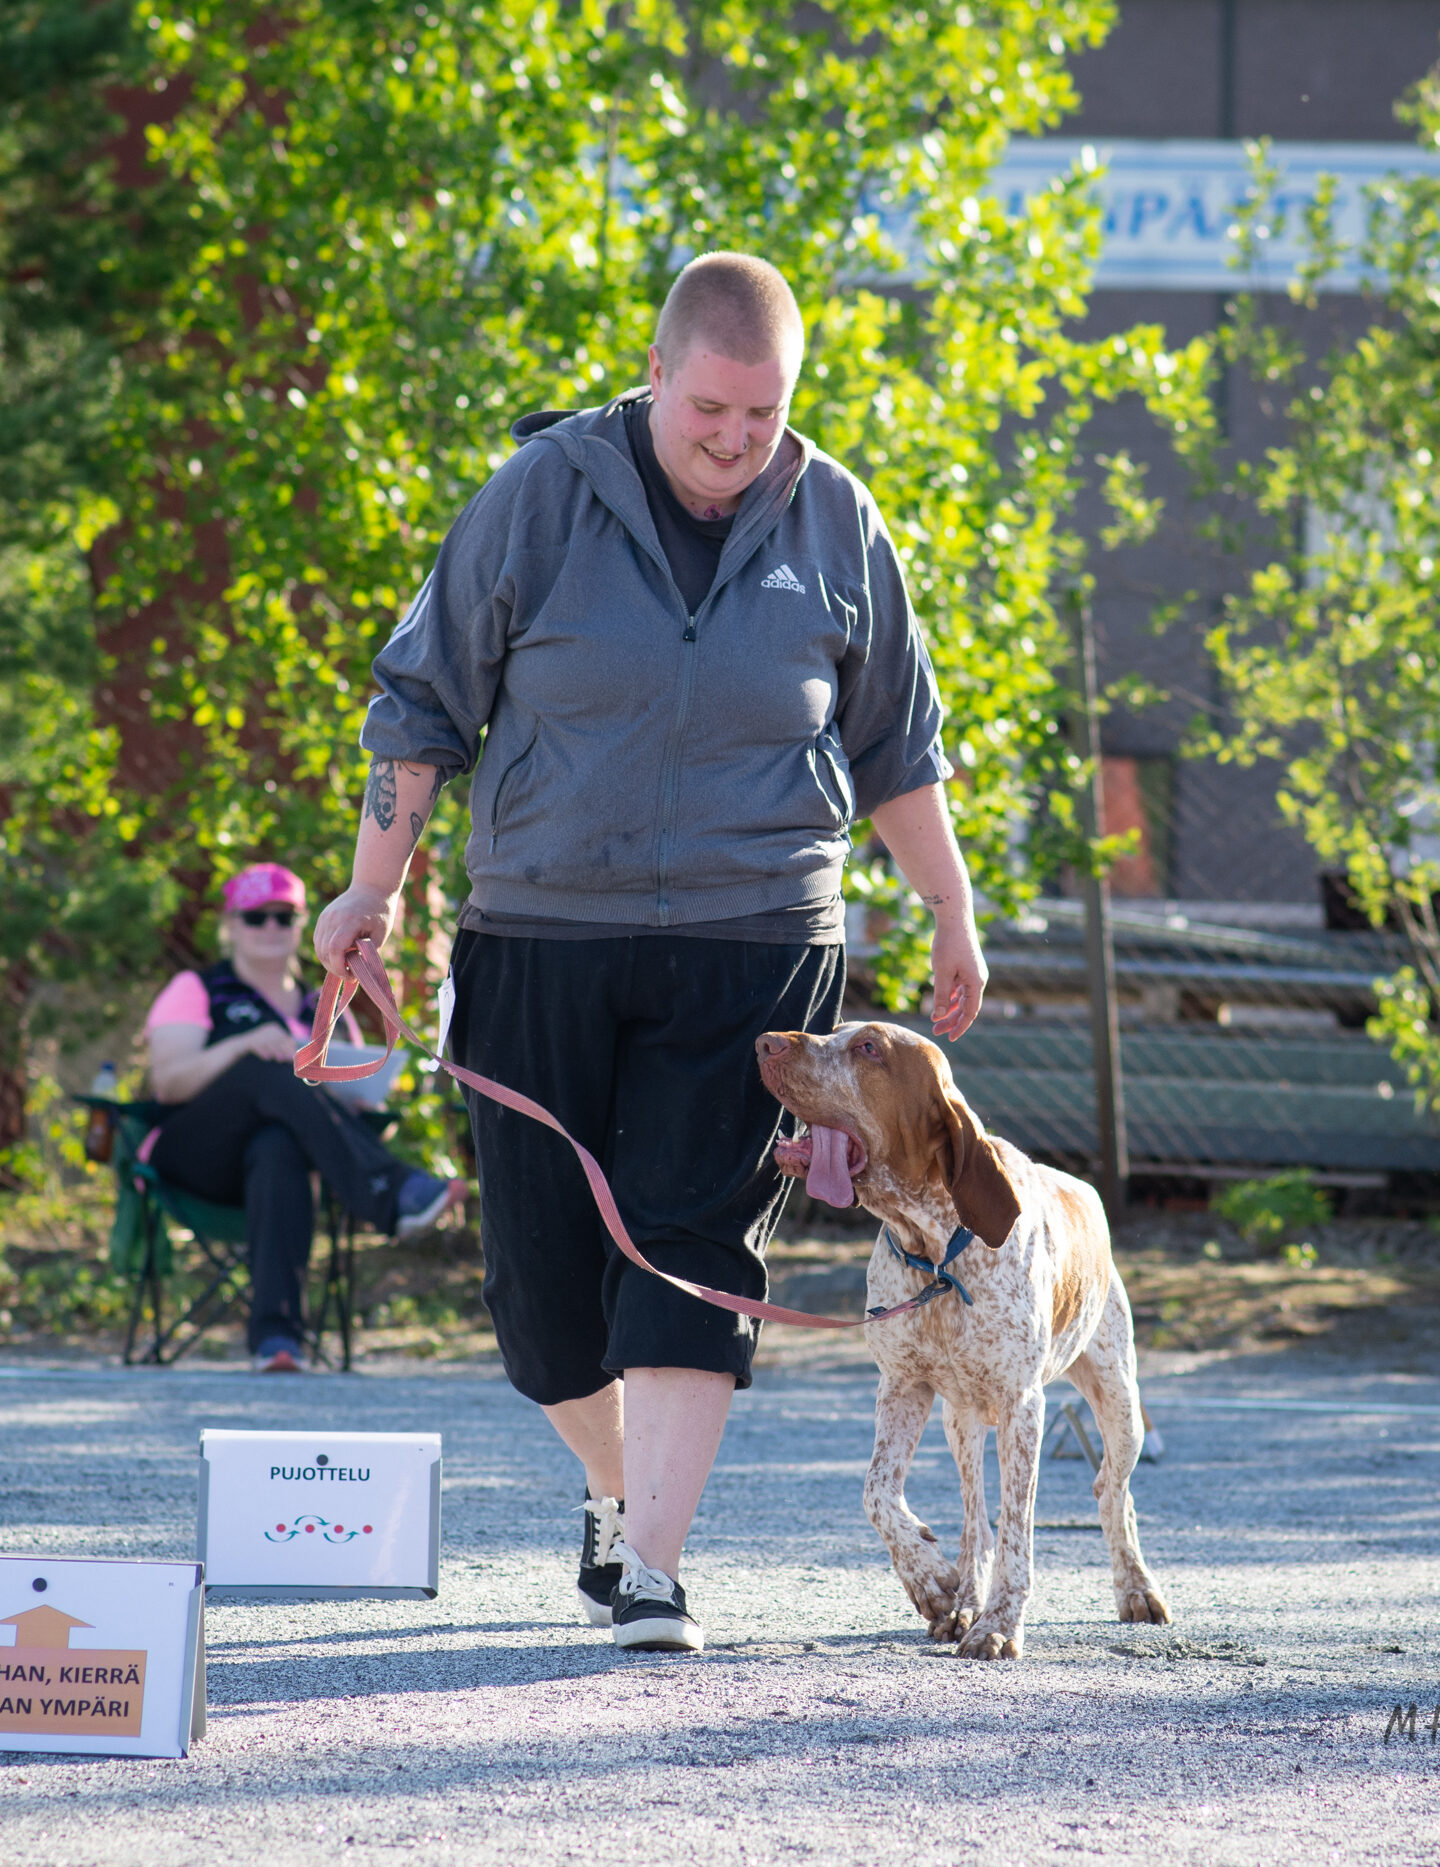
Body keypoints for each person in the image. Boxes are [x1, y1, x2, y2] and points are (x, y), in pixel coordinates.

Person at [315, 252, 988, 1648]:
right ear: (659, 373)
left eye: (765, 415)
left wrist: (949, 908)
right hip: (541, 928)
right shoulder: (538, 499)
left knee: (691, 1245)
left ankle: (659, 1569)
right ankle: (623, 1496)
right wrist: (369, 891)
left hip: (756, 940)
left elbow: (895, 747)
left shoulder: (837, 519)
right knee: (544, 1295)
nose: (738, 443)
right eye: (711, 414)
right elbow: (420, 705)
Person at [144, 862, 465, 1371]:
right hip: (193, 1157)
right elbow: (169, 1082)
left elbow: (360, 1091)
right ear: (230, 926)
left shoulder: (324, 1001)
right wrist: (243, 1046)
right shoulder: (198, 987)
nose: (271, 928)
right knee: (268, 1066)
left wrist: (357, 1101)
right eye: (256, 918)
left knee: (278, 1145)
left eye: (284, 916)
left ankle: (278, 1340)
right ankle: (386, 1188)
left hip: (276, 1167)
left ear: (301, 926)